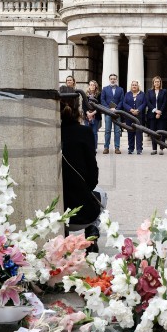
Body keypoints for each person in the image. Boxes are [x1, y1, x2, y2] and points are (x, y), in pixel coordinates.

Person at [59, 86, 100, 252]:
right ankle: (92, 233)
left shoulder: (48, 133)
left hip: (55, 213)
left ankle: (64, 234)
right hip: (83, 214)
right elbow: (93, 176)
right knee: (102, 195)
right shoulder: (85, 132)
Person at [100, 73, 124, 154]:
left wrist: (116, 109)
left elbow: (122, 100)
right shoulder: (105, 89)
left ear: (116, 80)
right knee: (107, 130)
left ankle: (117, 148)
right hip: (108, 112)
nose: (113, 80)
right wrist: (108, 108)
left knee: (117, 131)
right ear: (109, 79)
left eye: (114, 79)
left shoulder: (120, 89)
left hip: (117, 113)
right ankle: (106, 147)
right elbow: (102, 99)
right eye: (111, 79)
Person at [122, 80, 147, 154]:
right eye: (133, 85)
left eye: (135, 85)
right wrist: (131, 109)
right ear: (131, 86)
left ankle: (139, 149)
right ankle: (130, 148)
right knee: (130, 132)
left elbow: (144, 103)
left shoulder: (142, 94)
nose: (134, 86)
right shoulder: (127, 94)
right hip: (129, 116)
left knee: (139, 132)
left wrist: (138, 110)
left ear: (138, 86)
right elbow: (124, 103)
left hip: (139, 116)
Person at [145, 76, 167, 155]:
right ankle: (154, 149)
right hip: (152, 115)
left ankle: (161, 148)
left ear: (160, 83)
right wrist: (155, 111)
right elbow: (148, 102)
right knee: (153, 132)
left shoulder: (164, 91)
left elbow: (165, 102)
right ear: (153, 83)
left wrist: (159, 112)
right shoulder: (149, 91)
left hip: (162, 115)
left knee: (162, 132)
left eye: (158, 82)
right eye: (155, 82)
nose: (157, 83)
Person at [84, 80, 102, 149]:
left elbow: (99, 105)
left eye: (93, 85)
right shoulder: (85, 95)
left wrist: (93, 113)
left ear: (96, 86)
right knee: (87, 132)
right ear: (89, 86)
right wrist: (88, 113)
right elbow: (84, 105)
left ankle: (94, 148)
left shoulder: (99, 95)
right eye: (91, 85)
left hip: (96, 116)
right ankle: (88, 147)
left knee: (94, 132)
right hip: (87, 116)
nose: (92, 86)